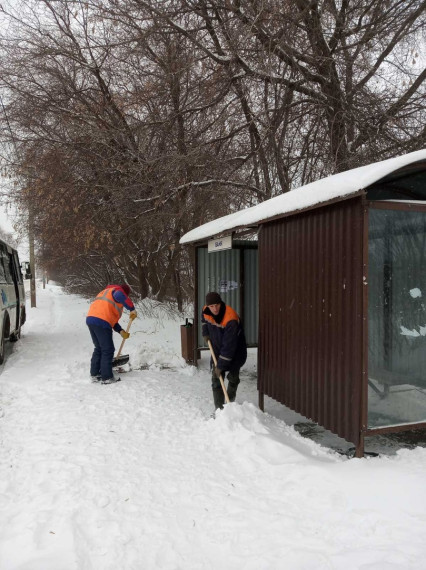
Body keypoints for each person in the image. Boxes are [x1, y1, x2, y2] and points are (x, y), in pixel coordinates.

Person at [201, 291, 247, 410]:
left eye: (217, 305)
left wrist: (220, 366)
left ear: (220, 303)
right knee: (216, 379)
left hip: (235, 352)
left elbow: (229, 347)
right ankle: (219, 410)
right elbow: (204, 319)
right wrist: (205, 333)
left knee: (233, 378)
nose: (214, 309)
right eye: (211, 306)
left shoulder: (230, 319)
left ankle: (229, 404)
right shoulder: (206, 309)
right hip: (217, 348)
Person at [86, 283, 137, 384]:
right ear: (125, 294)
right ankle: (107, 377)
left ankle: (95, 374)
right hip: (101, 321)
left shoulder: (106, 294)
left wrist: (120, 331)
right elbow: (119, 295)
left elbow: (110, 319)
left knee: (99, 348)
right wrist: (132, 309)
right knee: (108, 349)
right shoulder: (117, 292)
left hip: (91, 320)